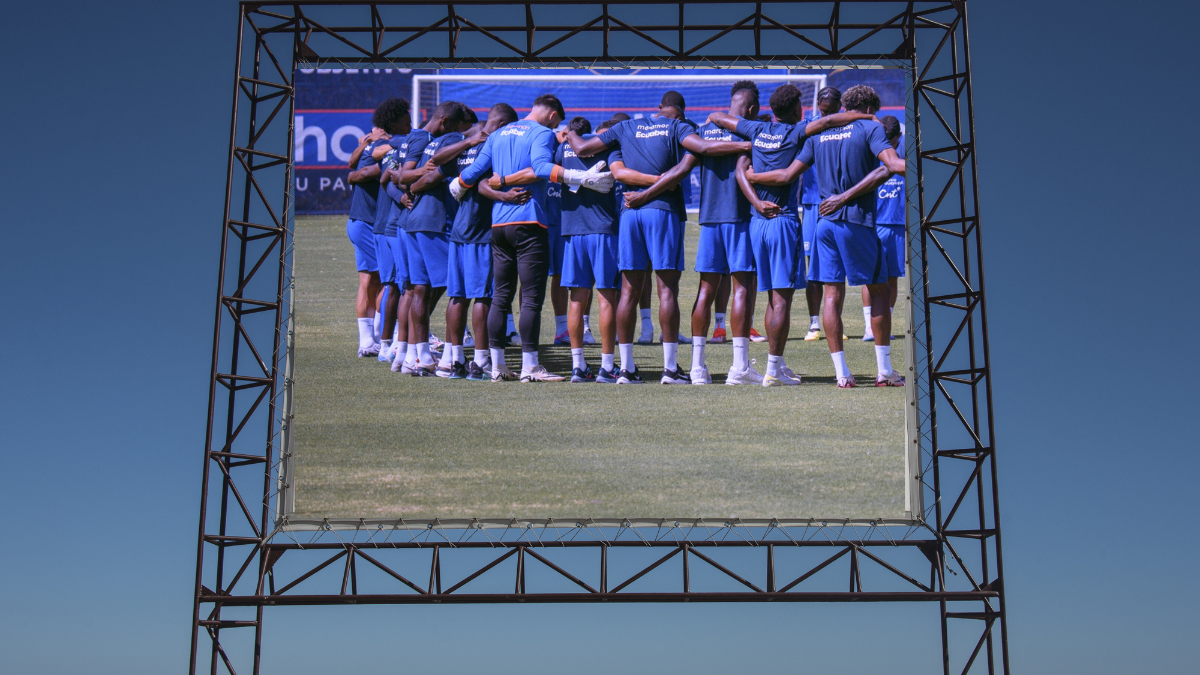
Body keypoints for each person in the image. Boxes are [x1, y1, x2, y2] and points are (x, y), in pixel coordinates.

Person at [567, 102, 750, 384]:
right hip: (662, 211)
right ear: (677, 114)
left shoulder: (625, 127)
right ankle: (670, 369)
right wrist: (747, 146)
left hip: (630, 214)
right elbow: (703, 149)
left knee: (627, 291)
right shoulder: (677, 127)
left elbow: (583, 149)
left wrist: (567, 134)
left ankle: (626, 369)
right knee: (667, 290)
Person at [708, 84, 875, 386]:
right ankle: (772, 371)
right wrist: (861, 118)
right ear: (796, 110)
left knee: (772, 296)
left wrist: (756, 198)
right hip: (783, 219)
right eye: (801, 105)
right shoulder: (796, 132)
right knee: (782, 299)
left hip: (757, 220)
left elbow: (719, 117)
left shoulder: (756, 129)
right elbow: (825, 122)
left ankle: (778, 363)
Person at [449, 94, 614, 383]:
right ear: (553, 116)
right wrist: (581, 178)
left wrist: (459, 185)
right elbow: (540, 168)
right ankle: (530, 366)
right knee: (530, 299)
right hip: (529, 221)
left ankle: (497, 365)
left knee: (500, 296)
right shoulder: (541, 133)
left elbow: (475, 173)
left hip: (499, 224)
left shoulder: (498, 134)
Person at [797, 85, 906, 388]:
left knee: (832, 296)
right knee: (880, 291)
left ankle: (842, 374)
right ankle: (884, 371)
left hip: (824, 222)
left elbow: (788, 172)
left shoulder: (818, 133)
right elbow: (893, 164)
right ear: (868, 108)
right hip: (856, 221)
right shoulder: (870, 127)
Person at [414, 103, 525, 379]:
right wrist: (505, 194)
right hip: (481, 231)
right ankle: (480, 361)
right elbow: (486, 185)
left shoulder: (464, 145)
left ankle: (452, 360)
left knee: (458, 296)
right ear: (501, 126)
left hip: (458, 231)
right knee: (483, 296)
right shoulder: (492, 147)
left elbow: (438, 161)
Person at [687, 81, 761, 385]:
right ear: (753, 109)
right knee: (742, 288)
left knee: (706, 290)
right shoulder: (751, 131)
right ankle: (740, 367)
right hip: (740, 217)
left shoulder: (704, 131)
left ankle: (696, 368)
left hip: (709, 219)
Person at [391, 101, 469, 376]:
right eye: (463, 127)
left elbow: (402, 178)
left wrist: (409, 186)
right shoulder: (451, 141)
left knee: (417, 289)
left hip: (411, 222)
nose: (466, 133)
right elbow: (432, 176)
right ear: (449, 123)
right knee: (457, 288)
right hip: (434, 222)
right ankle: (450, 357)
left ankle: (415, 355)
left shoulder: (427, 142)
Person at [556, 116, 620, 383]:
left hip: (573, 231)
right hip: (602, 229)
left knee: (576, 299)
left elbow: (556, 176)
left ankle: (578, 366)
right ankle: (606, 366)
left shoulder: (561, 149)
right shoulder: (607, 146)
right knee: (606, 297)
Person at [345, 98, 409, 356]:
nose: (411, 125)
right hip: (369, 223)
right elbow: (361, 172)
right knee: (386, 282)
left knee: (368, 283)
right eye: (407, 121)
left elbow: (354, 168)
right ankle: (390, 338)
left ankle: (367, 342)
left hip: (359, 221)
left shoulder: (372, 144)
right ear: (393, 122)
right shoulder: (382, 146)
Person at [801, 87, 843, 342]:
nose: (826, 110)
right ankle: (814, 323)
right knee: (811, 267)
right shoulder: (807, 127)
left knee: (836, 265)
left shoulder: (846, 129)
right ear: (817, 104)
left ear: (840, 105)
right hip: (811, 204)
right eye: (822, 106)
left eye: (831, 107)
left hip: (838, 203)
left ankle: (834, 321)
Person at [860, 115, 904, 342]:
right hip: (873, 222)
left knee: (893, 277)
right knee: (871, 276)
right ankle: (869, 327)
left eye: (892, 144)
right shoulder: (870, 144)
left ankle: (885, 324)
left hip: (897, 222)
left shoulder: (906, 146)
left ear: (899, 138)